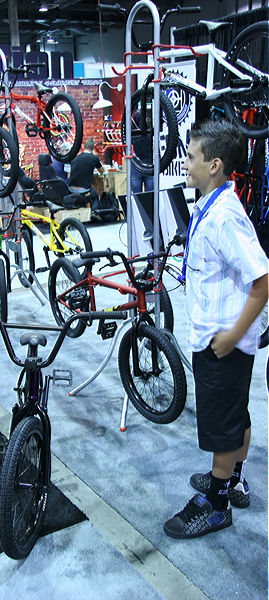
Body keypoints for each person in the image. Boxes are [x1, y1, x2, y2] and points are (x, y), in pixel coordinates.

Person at [163, 119, 268, 540]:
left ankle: (217, 503)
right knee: (234, 414)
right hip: (221, 338)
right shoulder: (212, 203)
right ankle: (233, 478)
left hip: (222, 343)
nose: (185, 163)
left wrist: (230, 336)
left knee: (222, 426)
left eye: (191, 157)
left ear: (215, 165)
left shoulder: (225, 217)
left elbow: (263, 281)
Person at [68, 138, 104, 220]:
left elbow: (69, 176)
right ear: (93, 147)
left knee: (83, 197)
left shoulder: (75, 158)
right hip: (84, 190)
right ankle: (94, 213)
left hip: (71, 189)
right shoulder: (94, 158)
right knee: (95, 196)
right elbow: (102, 171)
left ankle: (84, 214)